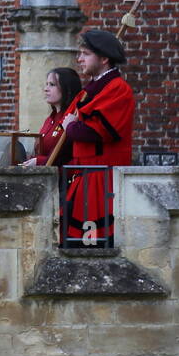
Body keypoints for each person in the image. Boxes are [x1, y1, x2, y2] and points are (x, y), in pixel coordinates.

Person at [61, 29, 135, 246]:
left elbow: (100, 131)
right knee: (73, 243)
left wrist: (72, 128)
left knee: (94, 246)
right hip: (82, 174)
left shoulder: (118, 89)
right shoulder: (90, 90)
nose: (79, 59)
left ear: (104, 59)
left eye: (85, 54)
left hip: (101, 178)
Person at [20, 67, 81, 168]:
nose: (46, 89)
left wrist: (40, 161)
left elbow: (67, 156)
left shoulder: (72, 117)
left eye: (52, 85)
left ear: (67, 88)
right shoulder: (49, 120)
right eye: (46, 84)